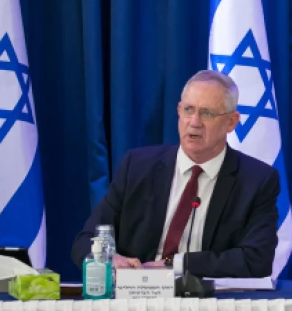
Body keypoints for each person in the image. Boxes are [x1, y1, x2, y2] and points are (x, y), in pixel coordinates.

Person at [71, 70, 279, 278]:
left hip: (207, 303)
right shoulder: (137, 167)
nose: (194, 122)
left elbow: (256, 259)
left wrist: (178, 264)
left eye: (207, 113)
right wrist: (109, 259)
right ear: (179, 111)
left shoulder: (256, 180)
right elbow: (86, 240)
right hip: (137, 297)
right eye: (189, 109)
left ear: (231, 122)